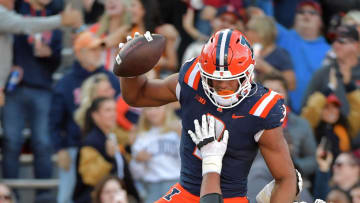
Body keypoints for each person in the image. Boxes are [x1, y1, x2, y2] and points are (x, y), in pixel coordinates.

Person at [117, 29, 297, 202]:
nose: (222, 85)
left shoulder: (260, 109)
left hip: (231, 198)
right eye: (215, 78)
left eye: (230, 79)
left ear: (248, 74)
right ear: (203, 72)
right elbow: (137, 96)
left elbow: (286, 178)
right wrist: (131, 70)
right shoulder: (192, 80)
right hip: (185, 192)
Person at [50, 31, 120, 203]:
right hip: (74, 147)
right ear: (79, 53)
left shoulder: (111, 79)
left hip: (107, 146)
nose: (98, 53)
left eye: (99, 49)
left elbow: (123, 111)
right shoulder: (66, 83)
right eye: (92, 50)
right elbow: (54, 120)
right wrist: (60, 149)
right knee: (67, 197)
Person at [0, 0, 82, 105]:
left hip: (40, 86)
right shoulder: (12, 11)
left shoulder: (53, 11)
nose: (13, 1)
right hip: (16, 90)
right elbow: (22, 24)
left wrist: (50, 53)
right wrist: (61, 20)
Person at [73, 97, 139, 203]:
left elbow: (123, 170)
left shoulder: (112, 136)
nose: (113, 114)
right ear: (95, 115)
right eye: (108, 110)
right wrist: (108, 158)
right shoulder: (90, 142)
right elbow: (90, 178)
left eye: (114, 110)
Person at [275, 0, 331, 114]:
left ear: (321, 22)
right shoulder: (283, 36)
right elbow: (261, 20)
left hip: (314, 113)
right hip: (280, 110)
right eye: (301, 12)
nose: (306, 15)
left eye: (312, 13)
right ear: (294, 19)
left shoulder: (330, 50)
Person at [129, 105, 181, 203]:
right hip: (152, 187)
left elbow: (191, 161)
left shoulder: (179, 129)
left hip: (177, 184)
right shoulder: (141, 136)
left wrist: (183, 139)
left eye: (157, 108)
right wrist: (138, 161)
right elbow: (136, 174)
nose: (152, 112)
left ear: (166, 109)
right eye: (148, 108)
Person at [246, 16, 296, 90]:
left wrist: (267, 68)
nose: (246, 32)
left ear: (263, 32)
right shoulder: (246, 51)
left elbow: (291, 85)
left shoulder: (280, 54)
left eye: (251, 30)